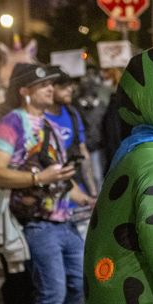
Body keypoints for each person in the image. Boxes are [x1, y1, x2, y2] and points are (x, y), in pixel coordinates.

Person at [0, 63, 92, 304]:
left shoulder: (49, 124)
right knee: (51, 290)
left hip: (64, 219)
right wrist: (39, 177)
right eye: (42, 86)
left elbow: (61, 173)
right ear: (25, 91)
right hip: (38, 223)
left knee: (80, 284)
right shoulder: (12, 123)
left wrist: (83, 197)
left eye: (51, 85)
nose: (50, 89)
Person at [45, 67, 97, 233]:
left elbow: (83, 152)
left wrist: (93, 191)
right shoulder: (38, 119)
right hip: (51, 201)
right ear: (49, 89)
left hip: (79, 196)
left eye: (70, 85)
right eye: (63, 86)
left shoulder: (72, 113)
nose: (70, 89)